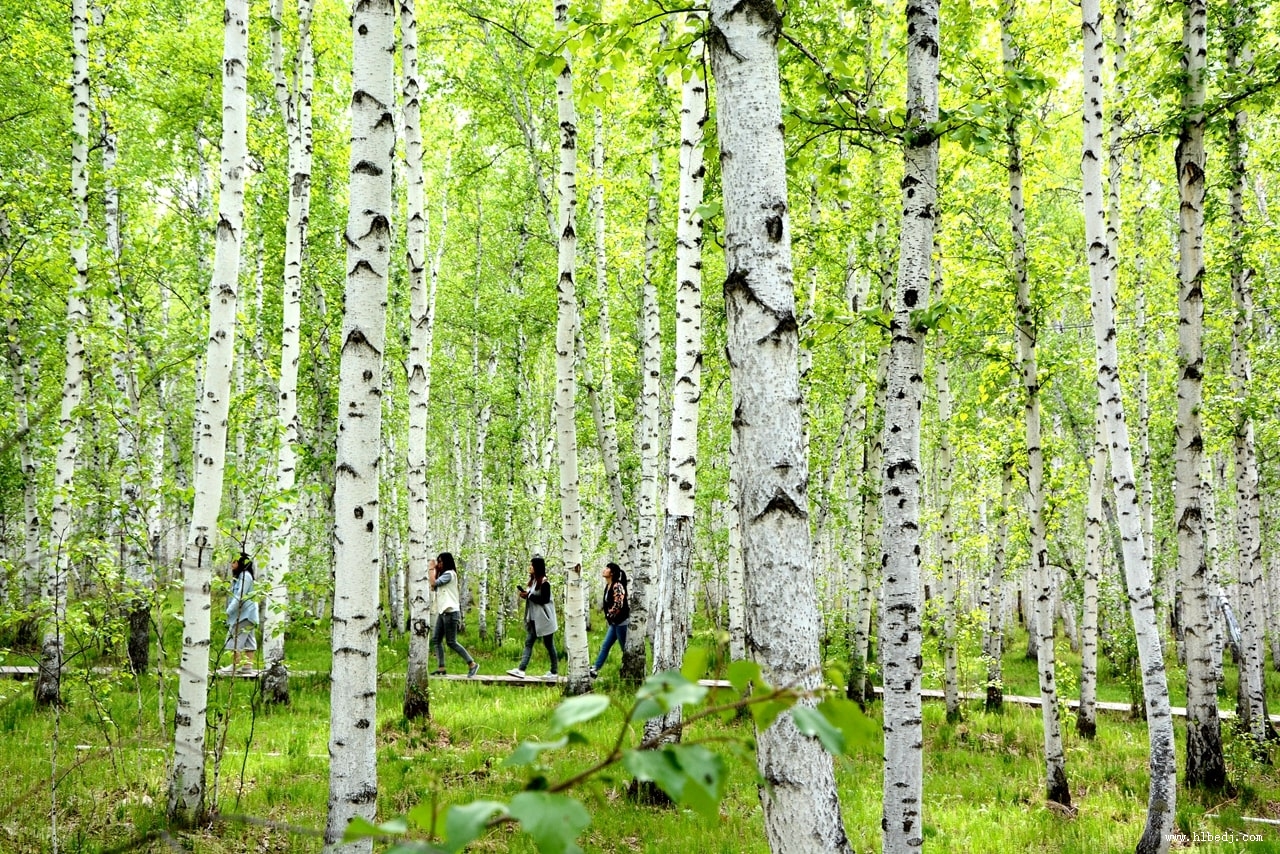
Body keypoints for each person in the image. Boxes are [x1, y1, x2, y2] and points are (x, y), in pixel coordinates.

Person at [507, 555, 558, 679]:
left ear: (537, 567)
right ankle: (522, 669)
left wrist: (529, 596)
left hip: (545, 619)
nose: (530, 567)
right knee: (529, 642)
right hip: (534, 618)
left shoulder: (545, 583)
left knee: (548, 644)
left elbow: (544, 600)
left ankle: (553, 672)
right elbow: (533, 597)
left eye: (532, 565)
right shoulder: (533, 582)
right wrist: (526, 595)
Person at [430, 551, 479, 678]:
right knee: (436, 639)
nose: (439, 564)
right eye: (438, 562)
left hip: (451, 612)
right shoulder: (444, 575)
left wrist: (431, 569)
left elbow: (433, 583)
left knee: (451, 642)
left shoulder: (449, 574)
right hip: (443, 612)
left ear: (446, 562)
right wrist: (435, 571)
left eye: (440, 561)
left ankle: (472, 664)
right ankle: (441, 668)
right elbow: (433, 587)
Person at [220, 552, 259, 675]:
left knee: (234, 638)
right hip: (249, 614)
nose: (232, 564)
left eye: (234, 562)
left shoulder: (244, 576)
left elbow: (239, 596)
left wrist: (228, 612)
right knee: (248, 640)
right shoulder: (242, 576)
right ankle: (247, 667)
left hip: (244, 614)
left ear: (241, 563)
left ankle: (235, 666)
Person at [589, 561, 629, 678]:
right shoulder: (608, 586)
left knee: (624, 648)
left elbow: (619, 604)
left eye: (607, 568)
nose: (604, 569)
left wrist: (609, 614)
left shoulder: (617, 586)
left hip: (621, 622)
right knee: (605, 645)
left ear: (612, 573)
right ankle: (595, 668)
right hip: (614, 623)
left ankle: (629, 670)